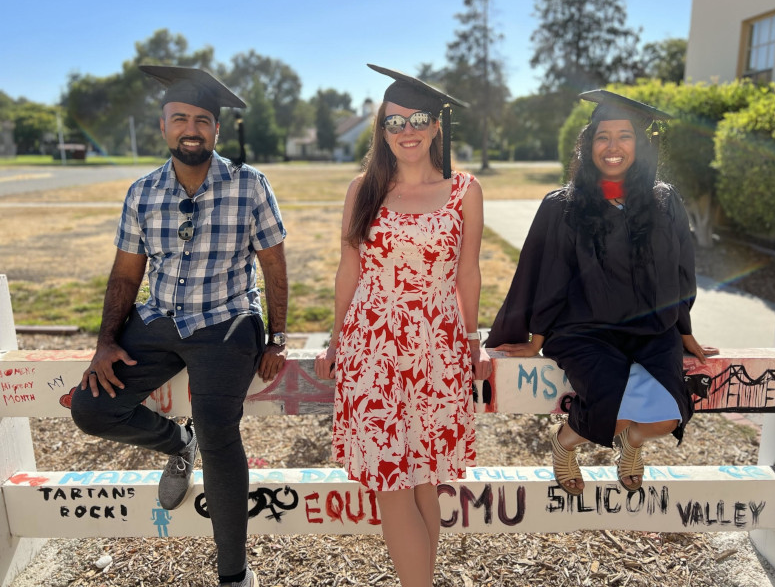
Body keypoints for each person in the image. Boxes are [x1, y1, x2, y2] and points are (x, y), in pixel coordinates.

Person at [71, 65, 288, 587]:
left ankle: (234, 575)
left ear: (215, 130)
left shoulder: (249, 185)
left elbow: (275, 267)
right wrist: (105, 343)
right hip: (159, 319)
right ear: (164, 126)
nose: (191, 128)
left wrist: (277, 337)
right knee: (92, 408)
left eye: (202, 120)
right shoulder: (142, 192)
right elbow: (126, 273)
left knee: (219, 433)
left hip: (226, 322)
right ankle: (175, 445)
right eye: (180, 118)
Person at [486, 90, 718, 496]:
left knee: (669, 413)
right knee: (609, 409)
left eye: (624, 136)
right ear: (588, 143)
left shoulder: (664, 201)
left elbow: (681, 269)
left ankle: (632, 445)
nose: (613, 147)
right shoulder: (564, 206)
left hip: (650, 328)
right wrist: (536, 337)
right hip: (583, 329)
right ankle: (564, 444)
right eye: (602, 136)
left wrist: (684, 330)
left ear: (640, 144)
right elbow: (547, 274)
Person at [314, 64, 492, 587]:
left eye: (418, 119)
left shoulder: (464, 191)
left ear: (438, 125)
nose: (406, 131)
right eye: (394, 122)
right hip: (373, 347)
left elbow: (468, 272)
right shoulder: (363, 191)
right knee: (392, 482)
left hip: (438, 348)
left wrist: (472, 340)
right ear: (382, 130)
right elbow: (349, 270)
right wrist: (336, 340)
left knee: (425, 482)